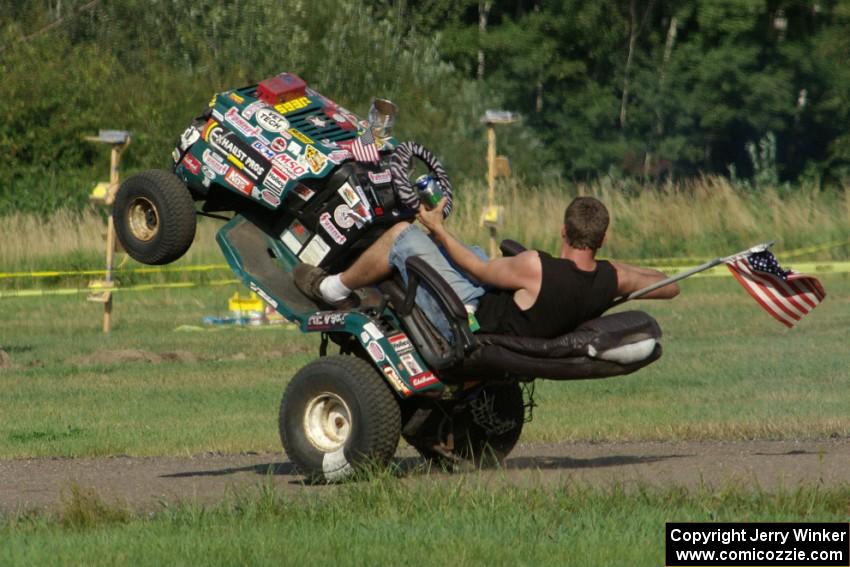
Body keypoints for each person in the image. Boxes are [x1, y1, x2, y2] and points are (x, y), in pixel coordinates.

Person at [294, 196, 679, 340]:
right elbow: (668, 285)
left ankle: (334, 288)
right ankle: (373, 281)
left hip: (464, 319)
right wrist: (612, 269)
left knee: (401, 235)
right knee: (473, 246)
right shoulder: (610, 280)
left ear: (563, 230)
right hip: (502, 312)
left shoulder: (536, 267)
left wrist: (439, 229)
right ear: (603, 239)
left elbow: (477, 271)